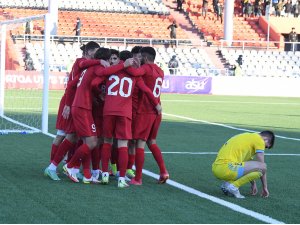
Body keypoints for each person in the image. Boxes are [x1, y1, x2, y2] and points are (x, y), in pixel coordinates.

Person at [44, 41, 100, 181]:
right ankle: (54, 166)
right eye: (96, 53)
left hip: (77, 103)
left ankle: (68, 167)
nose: (97, 56)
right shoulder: (80, 62)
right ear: (88, 52)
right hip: (71, 103)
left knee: (75, 137)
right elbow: (71, 85)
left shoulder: (90, 65)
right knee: (63, 135)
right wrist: (68, 105)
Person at [125, 47, 169, 185]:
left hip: (146, 111)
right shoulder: (160, 71)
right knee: (152, 142)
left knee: (140, 143)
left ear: (144, 57)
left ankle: (137, 178)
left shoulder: (146, 69)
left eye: (140, 57)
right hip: (157, 111)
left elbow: (133, 72)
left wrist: (125, 64)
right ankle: (163, 171)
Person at [212, 131, 275, 199]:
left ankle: (227, 184)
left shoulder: (248, 136)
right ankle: (234, 186)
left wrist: (253, 183)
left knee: (257, 168)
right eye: (265, 146)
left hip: (218, 168)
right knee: (262, 167)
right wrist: (264, 187)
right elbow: (262, 166)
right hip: (227, 167)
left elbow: (246, 167)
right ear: (265, 139)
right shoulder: (259, 140)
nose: (264, 148)